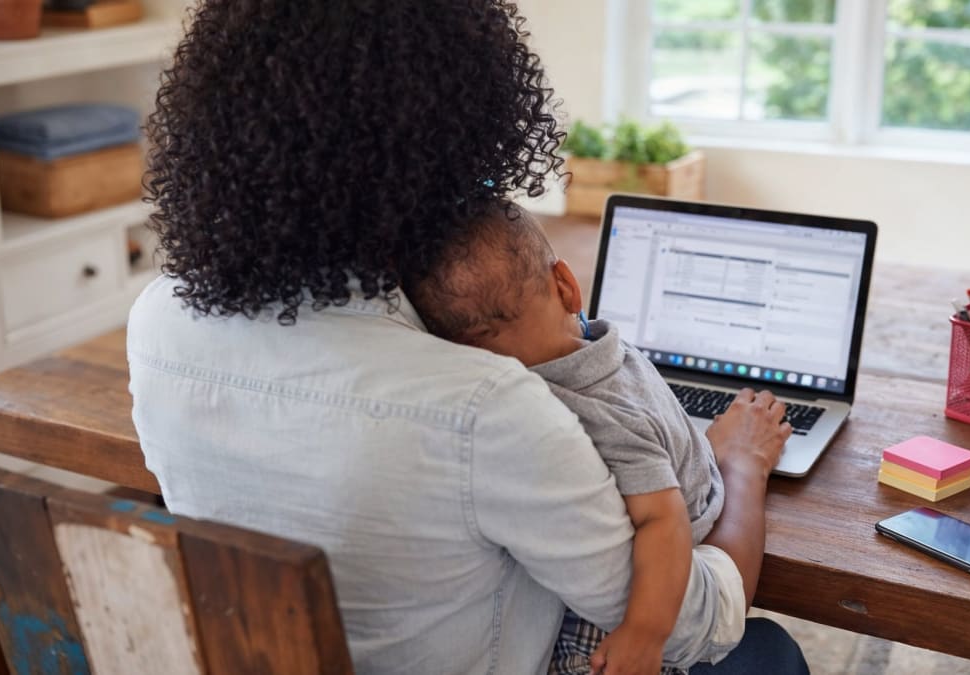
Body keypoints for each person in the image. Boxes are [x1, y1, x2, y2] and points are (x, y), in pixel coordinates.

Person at [131, 1, 810, 673]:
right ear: (457, 127)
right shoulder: (485, 402)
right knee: (767, 651)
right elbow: (694, 626)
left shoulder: (157, 320)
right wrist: (740, 464)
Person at [407, 202, 795, 674]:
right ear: (567, 285)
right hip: (674, 537)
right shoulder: (604, 350)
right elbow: (662, 510)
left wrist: (645, 633)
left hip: (660, 562)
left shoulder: (577, 408)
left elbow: (661, 515)